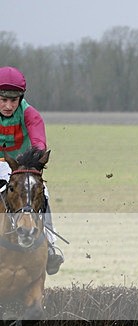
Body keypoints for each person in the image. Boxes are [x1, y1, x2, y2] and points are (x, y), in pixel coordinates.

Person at [0, 66, 63, 275]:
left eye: (13, 100)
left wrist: (34, 159)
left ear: (20, 99)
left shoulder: (30, 114)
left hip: (20, 165)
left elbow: (38, 143)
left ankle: (51, 246)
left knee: (42, 192)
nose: (8, 105)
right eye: (3, 99)